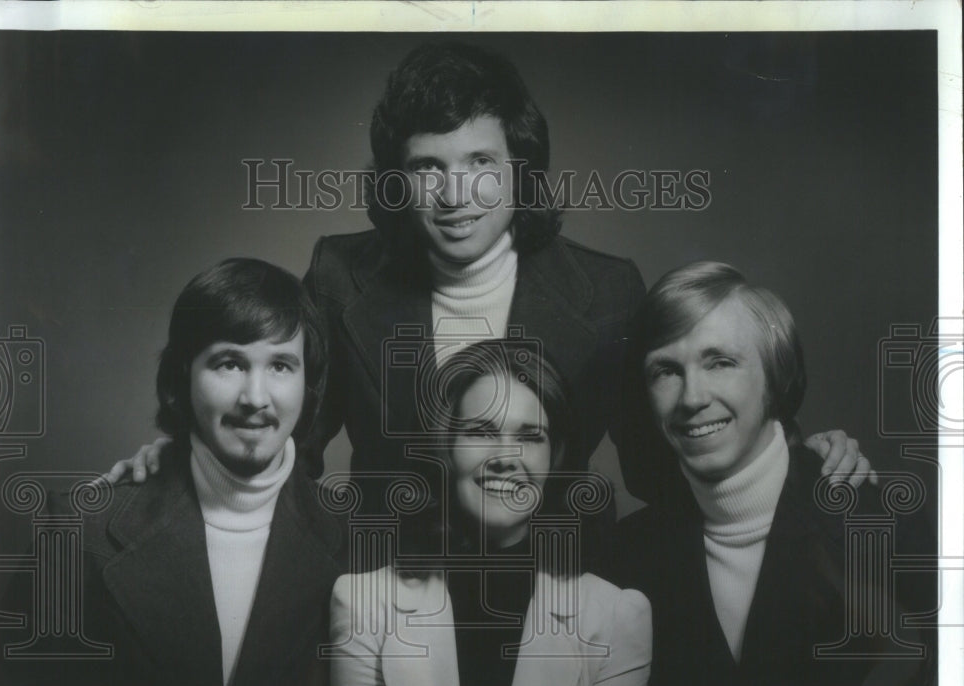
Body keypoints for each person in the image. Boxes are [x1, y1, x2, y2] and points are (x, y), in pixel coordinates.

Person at [106, 42, 871, 512]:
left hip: (558, 600)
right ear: (398, 184)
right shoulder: (340, 273)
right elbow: (288, 450)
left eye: (480, 164)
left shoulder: (606, 293)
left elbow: (666, 471)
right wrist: (185, 469)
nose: (454, 194)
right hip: (382, 597)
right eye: (426, 168)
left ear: (521, 170)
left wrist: (790, 459)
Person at [0, 258, 345, 686]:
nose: (255, 398)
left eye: (280, 366)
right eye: (229, 363)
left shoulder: (359, 545)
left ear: (307, 384)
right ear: (182, 377)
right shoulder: (76, 532)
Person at [602, 262, 936, 686]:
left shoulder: (883, 523)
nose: (692, 398)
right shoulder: (628, 555)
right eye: (666, 370)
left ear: (774, 377)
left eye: (720, 362)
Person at [328, 340, 652, 686]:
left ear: (556, 455)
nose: (504, 458)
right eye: (481, 432)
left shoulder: (615, 617)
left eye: (530, 437)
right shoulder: (362, 606)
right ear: (444, 447)